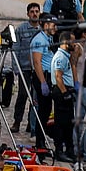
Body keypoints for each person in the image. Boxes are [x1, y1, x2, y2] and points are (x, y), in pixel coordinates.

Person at [30, 13, 57, 156]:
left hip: (47, 77)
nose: (55, 27)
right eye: (53, 24)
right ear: (45, 25)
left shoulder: (48, 38)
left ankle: (41, 140)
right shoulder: (40, 40)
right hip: (42, 77)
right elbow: (36, 62)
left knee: (46, 111)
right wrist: (42, 82)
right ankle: (39, 142)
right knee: (43, 111)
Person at [12, 3, 42, 134]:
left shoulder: (42, 29)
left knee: (35, 98)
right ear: (28, 14)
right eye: (32, 11)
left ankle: (31, 124)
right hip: (24, 68)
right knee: (23, 95)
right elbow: (15, 48)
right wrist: (16, 67)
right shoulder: (21, 29)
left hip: (38, 69)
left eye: (36, 11)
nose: (34, 13)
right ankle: (17, 121)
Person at [50, 30, 77, 162]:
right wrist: (65, 93)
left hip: (66, 90)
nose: (75, 44)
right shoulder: (60, 57)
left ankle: (70, 150)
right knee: (61, 123)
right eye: (72, 41)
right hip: (61, 92)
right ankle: (59, 150)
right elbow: (58, 76)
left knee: (68, 123)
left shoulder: (66, 56)